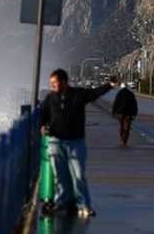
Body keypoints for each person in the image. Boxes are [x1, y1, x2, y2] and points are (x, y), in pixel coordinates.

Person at [38, 69, 116, 217]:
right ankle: (61, 202)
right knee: (58, 176)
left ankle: (83, 205)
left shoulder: (78, 95)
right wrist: (42, 126)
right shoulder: (51, 98)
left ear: (63, 82)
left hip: (75, 142)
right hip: (56, 142)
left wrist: (110, 85)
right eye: (51, 83)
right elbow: (42, 114)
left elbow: (95, 93)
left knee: (78, 175)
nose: (53, 85)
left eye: (55, 83)